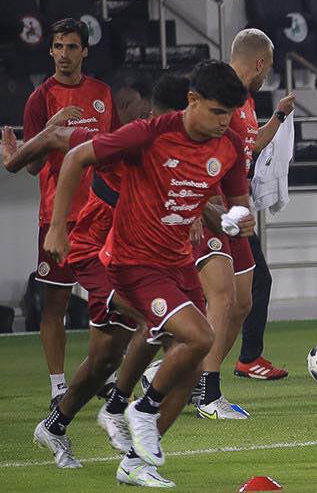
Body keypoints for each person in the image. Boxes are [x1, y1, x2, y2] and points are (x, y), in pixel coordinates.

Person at [43, 60, 255, 480]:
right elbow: (73, 156)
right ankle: (137, 406)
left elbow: (236, 203)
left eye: (229, 114)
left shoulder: (228, 144)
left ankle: (135, 461)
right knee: (199, 336)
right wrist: (56, 227)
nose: (223, 122)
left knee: (190, 364)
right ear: (192, 100)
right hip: (132, 262)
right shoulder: (149, 134)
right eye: (216, 112)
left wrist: (238, 218)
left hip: (178, 262)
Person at [8, 75, 187, 484]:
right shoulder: (130, 140)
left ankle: (54, 426)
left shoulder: (179, 150)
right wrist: (12, 160)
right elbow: (57, 141)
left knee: (105, 355)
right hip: (93, 252)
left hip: (130, 255)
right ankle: (121, 413)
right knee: (161, 323)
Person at [21, 17, 115, 404]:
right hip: (56, 219)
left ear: (85, 51)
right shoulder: (40, 99)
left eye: (71, 46)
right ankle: (59, 384)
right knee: (54, 304)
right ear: (50, 50)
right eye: (58, 46)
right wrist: (51, 128)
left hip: (99, 215)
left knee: (111, 299)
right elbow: (29, 165)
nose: (63, 54)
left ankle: (103, 373)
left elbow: (116, 147)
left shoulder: (102, 94)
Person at [228, 29, 296, 384]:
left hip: (234, 210)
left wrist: (280, 116)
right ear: (258, 63)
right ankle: (174, 367)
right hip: (214, 211)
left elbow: (251, 146)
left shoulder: (246, 100)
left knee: (253, 285)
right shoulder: (221, 93)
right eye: (268, 68)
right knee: (223, 294)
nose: (268, 74)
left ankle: (245, 359)